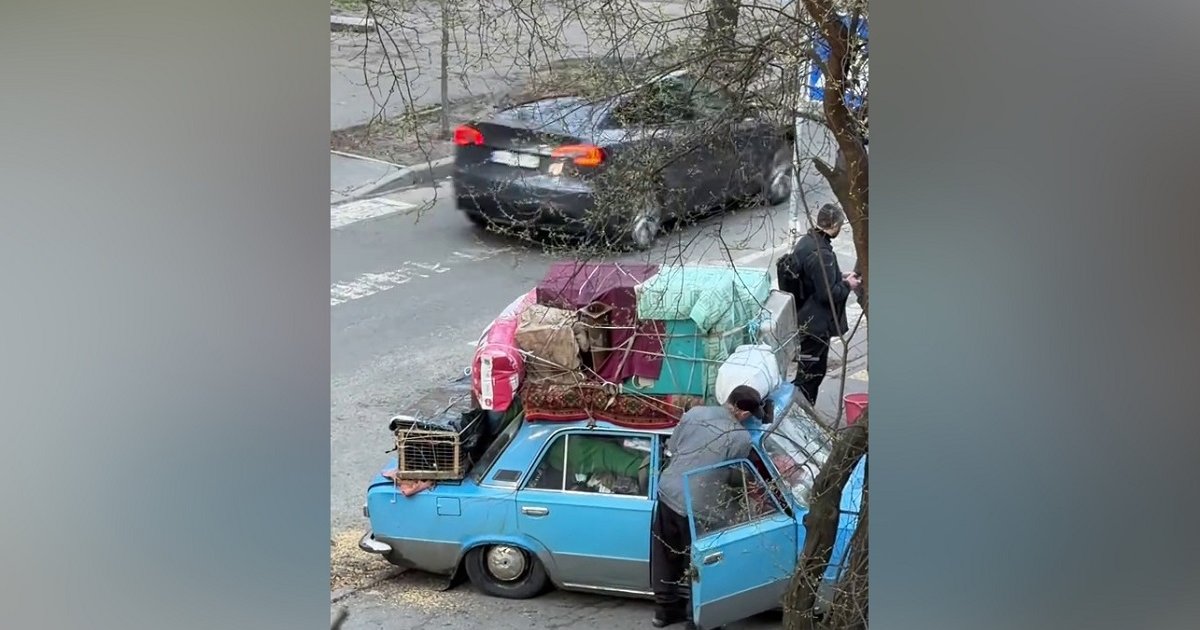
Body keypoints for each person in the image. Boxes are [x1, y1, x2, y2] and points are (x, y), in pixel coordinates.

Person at [649, 386, 764, 628]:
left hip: (668, 490)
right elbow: (732, 476)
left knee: (665, 554)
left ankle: (664, 611)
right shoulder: (740, 437)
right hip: (698, 505)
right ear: (743, 413)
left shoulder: (695, 413)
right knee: (700, 563)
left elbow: (673, 447)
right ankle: (696, 620)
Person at [777, 203, 861, 405]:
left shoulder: (807, 241)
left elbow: (813, 279)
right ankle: (799, 412)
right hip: (816, 325)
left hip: (804, 318)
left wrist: (838, 277)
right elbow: (827, 294)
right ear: (834, 225)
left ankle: (799, 409)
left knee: (810, 371)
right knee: (810, 376)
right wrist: (847, 285)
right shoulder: (822, 253)